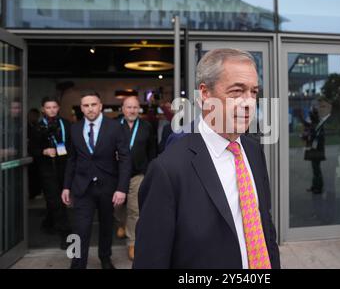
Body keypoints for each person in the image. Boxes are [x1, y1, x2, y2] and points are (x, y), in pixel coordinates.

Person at [133, 48, 280, 269]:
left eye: (253, 92)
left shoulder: (253, 150)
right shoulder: (168, 169)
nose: (249, 102)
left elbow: (263, 224)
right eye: (237, 91)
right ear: (205, 94)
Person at [61, 91, 131, 269]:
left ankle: (105, 259)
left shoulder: (115, 127)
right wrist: (66, 186)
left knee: (107, 226)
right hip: (82, 187)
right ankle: (77, 263)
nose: (90, 108)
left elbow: (124, 158)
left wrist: (122, 188)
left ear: (100, 106)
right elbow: (72, 160)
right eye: (86, 105)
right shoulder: (75, 128)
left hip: (108, 186)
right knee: (80, 229)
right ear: (81, 108)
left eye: (93, 104)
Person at [114, 96, 156, 261]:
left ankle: (132, 242)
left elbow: (152, 149)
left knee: (135, 209)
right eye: (128, 107)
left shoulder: (146, 126)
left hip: (138, 174)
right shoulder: (114, 126)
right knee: (117, 206)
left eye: (135, 107)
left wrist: (149, 171)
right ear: (122, 109)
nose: (131, 110)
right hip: (116, 174)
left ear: (139, 109)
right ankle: (121, 222)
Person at [29, 98, 72, 248]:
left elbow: (71, 144)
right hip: (47, 169)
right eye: (48, 107)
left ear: (58, 108)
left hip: (64, 167)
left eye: (54, 107)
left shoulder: (65, 124)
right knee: (56, 201)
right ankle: (66, 235)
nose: (52, 110)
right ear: (43, 109)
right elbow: (32, 149)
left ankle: (48, 223)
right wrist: (44, 151)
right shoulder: (38, 127)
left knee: (56, 201)